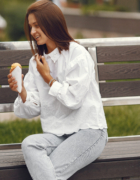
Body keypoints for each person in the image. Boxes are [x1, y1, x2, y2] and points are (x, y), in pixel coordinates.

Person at [7, 1, 108, 180]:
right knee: (29, 144)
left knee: (50, 172)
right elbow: (31, 110)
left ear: (52, 23)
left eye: (37, 26)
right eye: (31, 27)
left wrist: (48, 79)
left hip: (88, 131)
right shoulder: (36, 62)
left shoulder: (77, 54)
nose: (32, 32)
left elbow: (74, 100)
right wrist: (22, 91)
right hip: (58, 136)